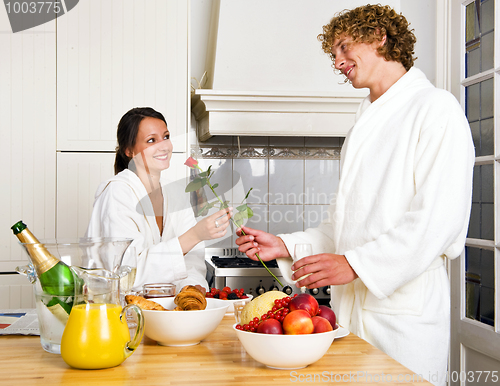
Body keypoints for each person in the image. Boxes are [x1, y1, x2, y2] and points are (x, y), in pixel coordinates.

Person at [235, 5, 474, 386]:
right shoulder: (363, 124)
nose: (338, 62)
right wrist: (285, 244)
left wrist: (357, 265)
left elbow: (437, 222)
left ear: (380, 36)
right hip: (353, 317)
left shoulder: (435, 109)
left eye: (345, 47)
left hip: (402, 319)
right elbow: (341, 224)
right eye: (333, 55)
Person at [86, 107, 232, 293]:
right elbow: (125, 273)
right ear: (129, 150)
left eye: (166, 136)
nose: (163, 146)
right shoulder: (118, 192)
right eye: (151, 140)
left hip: (167, 313)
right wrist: (195, 234)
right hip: (120, 314)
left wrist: (191, 287)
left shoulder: (177, 193)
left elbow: (192, 259)